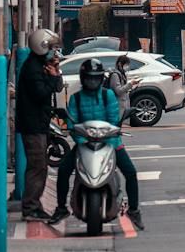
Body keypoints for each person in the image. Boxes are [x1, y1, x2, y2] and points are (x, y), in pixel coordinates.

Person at [53, 58, 143, 230]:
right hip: (84, 144)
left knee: (130, 172)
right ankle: (61, 208)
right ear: (82, 78)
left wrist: (109, 135)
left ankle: (134, 209)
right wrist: (81, 140)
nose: (92, 81)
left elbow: (113, 120)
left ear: (101, 79)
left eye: (95, 78)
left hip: (111, 143)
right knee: (63, 170)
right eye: (89, 78)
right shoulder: (75, 99)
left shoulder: (107, 95)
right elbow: (72, 125)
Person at [14, 27, 64, 220]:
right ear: (41, 47)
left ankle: (34, 205)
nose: (54, 51)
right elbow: (41, 93)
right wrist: (51, 78)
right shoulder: (33, 68)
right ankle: (30, 207)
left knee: (40, 166)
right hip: (32, 125)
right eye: (51, 48)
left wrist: (56, 71)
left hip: (40, 123)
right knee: (37, 166)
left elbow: (57, 87)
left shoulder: (43, 64)